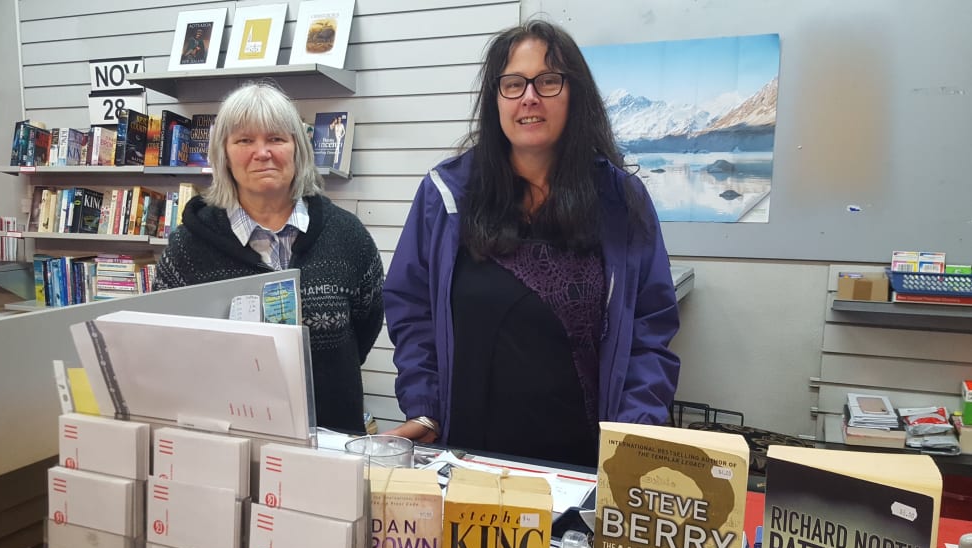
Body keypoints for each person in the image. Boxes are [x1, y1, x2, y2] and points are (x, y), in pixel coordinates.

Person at [382, 20, 680, 467]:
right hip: (468, 456)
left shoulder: (619, 200)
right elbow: (412, 307)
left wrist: (633, 434)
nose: (529, 97)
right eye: (513, 83)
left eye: (548, 81)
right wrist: (425, 406)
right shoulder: (447, 194)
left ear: (574, 94)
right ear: (495, 98)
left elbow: (649, 328)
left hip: (581, 461)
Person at [154, 82, 384, 434]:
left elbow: (366, 326)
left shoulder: (348, 237)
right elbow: (165, 344)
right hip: (224, 442)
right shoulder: (187, 248)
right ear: (224, 155)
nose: (262, 152)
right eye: (244, 140)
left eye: (276, 138)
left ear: (297, 149)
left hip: (331, 438)